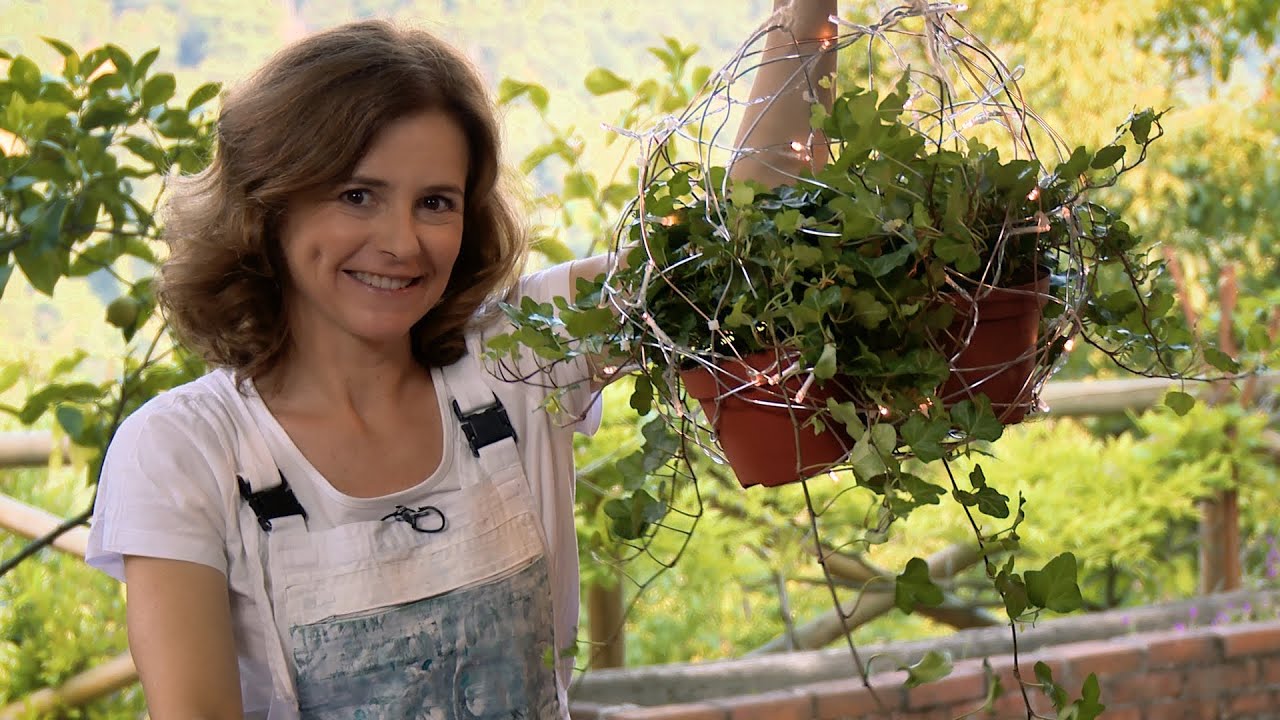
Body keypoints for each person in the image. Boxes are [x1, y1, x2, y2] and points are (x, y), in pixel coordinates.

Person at [85, 2, 835, 718]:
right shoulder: (185, 450)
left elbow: (744, 246)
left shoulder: (519, 352)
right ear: (269, 203)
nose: (401, 242)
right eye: (358, 195)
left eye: (435, 203)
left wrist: (807, 13)